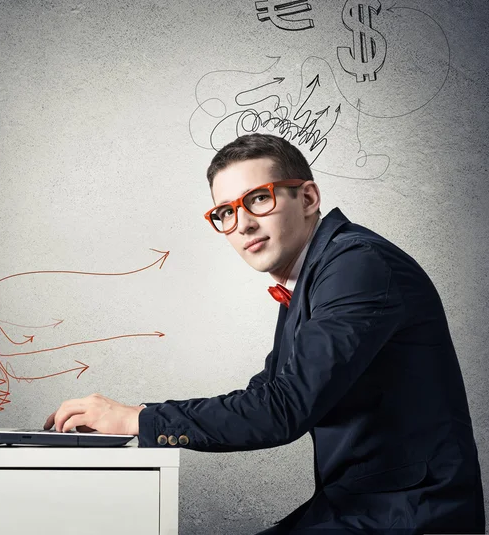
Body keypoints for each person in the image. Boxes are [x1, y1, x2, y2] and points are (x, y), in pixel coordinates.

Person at [44, 133, 484, 534]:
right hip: (358, 506)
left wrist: (136, 420)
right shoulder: (313, 273)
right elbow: (268, 392)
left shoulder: (356, 265)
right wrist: (139, 413)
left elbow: (283, 409)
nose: (244, 224)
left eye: (258, 199)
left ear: (308, 197)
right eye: (226, 212)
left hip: (410, 514)